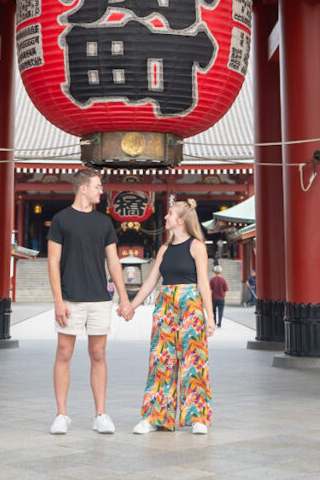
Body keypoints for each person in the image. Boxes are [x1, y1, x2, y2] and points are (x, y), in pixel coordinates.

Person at [47, 167, 132, 436]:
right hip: (70, 298)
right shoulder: (61, 220)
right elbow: (53, 262)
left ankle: (101, 414)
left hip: (99, 298)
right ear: (82, 188)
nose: (101, 190)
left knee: (98, 354)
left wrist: (124, 297)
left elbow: (114, 261)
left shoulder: (104, 222)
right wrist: (58, 300)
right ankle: (62, 414)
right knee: (64, 353)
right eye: (97, 186)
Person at [125, 198, 215, 435]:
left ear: (182, 220)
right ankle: (155, 416)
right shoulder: (164, 249)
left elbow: (204, 283)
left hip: (190, 306)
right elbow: (151, 282)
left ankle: (198, 417)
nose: (165, 217)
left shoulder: (197, 246)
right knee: (160, 360)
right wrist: (131, 305)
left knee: (194, 360)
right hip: (165, 307)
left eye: (170, 214)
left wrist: (211, 317)